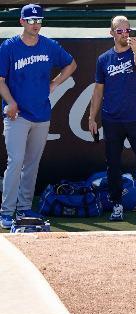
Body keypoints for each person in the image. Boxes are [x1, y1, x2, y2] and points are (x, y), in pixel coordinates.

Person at [0, 4, 77, 229]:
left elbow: (71, 64)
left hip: (42, 114)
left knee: (31, 165)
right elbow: (1, 80)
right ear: (22, 22)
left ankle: (24, 208)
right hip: (17, 115)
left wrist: (55, 82)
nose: (35, 24)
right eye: (31, 20)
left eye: (39, 20)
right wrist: (11, 102)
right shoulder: (9, 47)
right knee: (15, 162)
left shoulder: (49, 45)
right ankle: (6, 211)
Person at [89, 16, 136, 223]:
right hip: (112, 119)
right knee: (113, 164)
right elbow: (98, 91)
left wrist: (135, 50)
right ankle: (116, 204)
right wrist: (92, 117)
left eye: (128, 31)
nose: (125, 34)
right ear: (112, 33)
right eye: (120, 31)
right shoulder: (104, 59)